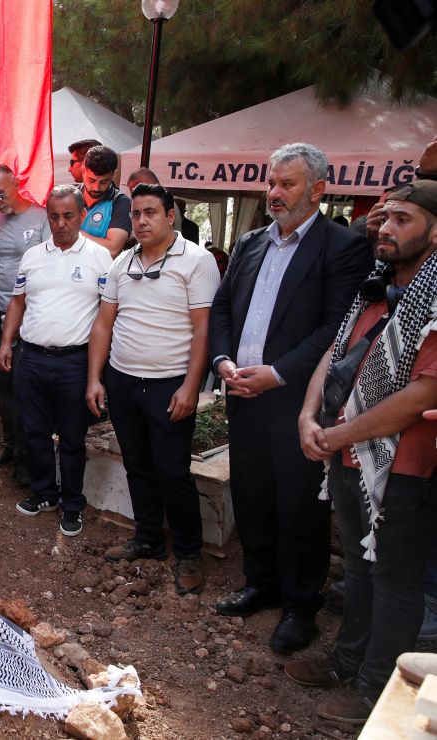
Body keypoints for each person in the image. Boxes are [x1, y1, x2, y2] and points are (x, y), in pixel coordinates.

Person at [208, 142, 372, 654]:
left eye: (287, 184)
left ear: (318, 190)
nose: (274, 193)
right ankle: (261, 583)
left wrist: (277, 374)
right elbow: (221, 312)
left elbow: (335, 328)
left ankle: (302, 606)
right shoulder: (251, 241)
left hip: (297, 401)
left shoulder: (342, 247)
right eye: (271, 183)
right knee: (253, 493)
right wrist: (223, 363)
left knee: (300, 505)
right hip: (242, 393)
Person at [284, 180, 437, 725]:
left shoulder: (432, 297)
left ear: (434, 232)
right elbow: (335, 351)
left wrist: (340, 434)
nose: (387, 228)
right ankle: (349, 662)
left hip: (401, 467)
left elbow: (423, 394)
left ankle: (375, 692)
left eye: (404, 220)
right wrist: (308, 415)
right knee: (360, 567)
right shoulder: (375, 288)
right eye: (385, 217)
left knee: (395, 578)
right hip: (347, 455)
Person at [86, 183, 220, 594]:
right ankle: (147, 538)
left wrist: (191, 388)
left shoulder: (197, 261)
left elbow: (203, 331)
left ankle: (188, 554)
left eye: (150, 213)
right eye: (136, 214)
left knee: (173, 471)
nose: (140, 221)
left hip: (169, 386)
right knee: (137, 464)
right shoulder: (123, 262)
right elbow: (104, 324)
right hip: (124, 381)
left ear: (170, 216)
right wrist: (95, 377)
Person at [0, 185, 111, 536]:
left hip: (74, 362)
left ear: (81, 216)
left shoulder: (99, 257)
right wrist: (6, 343)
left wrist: (96, 373)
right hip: (30, 358)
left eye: (68, 216)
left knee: (73, 438)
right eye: (54, 216)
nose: (61, 223)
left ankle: (72, 504)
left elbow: (108, 316)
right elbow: (18, 301)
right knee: (35, 431)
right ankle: (44, 493)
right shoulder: (33, 256)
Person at [0, 164, 50, 486]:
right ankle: (11, 445)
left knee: (25, 385)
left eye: (0, 194)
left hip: (28, 312)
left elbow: (47, 262)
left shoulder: (41, 217)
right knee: (2, 383)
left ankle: (29, 456)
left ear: (16, 183)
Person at [79, 145, 131, 258]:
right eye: (91, 180)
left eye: (104, 182)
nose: (97, 188)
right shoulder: (69, 196)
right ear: (83, 170)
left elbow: (112, 250)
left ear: (113, 174)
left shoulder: (121, 202)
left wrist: (76, 234)